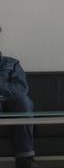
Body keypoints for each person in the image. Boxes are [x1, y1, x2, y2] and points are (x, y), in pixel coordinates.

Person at [0, 30, 39, 168]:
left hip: (12, 102)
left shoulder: (12, 63)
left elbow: (21, 88)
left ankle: (25, 159)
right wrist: (6, 87)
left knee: (23, 102)